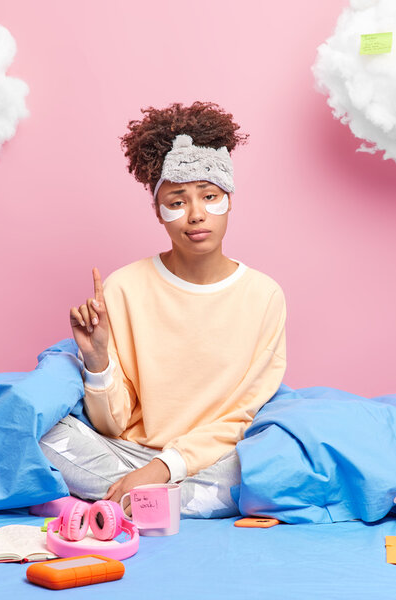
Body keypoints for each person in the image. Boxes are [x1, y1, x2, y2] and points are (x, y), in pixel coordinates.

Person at [39, 102, 286, 518]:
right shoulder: (124, 287)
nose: (196, 214)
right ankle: (162, 503)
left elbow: (242, 415)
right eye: (177, 200)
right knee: (41, 430)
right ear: (158, 211)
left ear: (229, 201)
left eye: (210, 197)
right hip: (126, 451)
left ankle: (127, 499)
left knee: (266, 460)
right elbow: (111, 425)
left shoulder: (264, 295)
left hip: (210, 459)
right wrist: (97, 359)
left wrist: (164, 466)